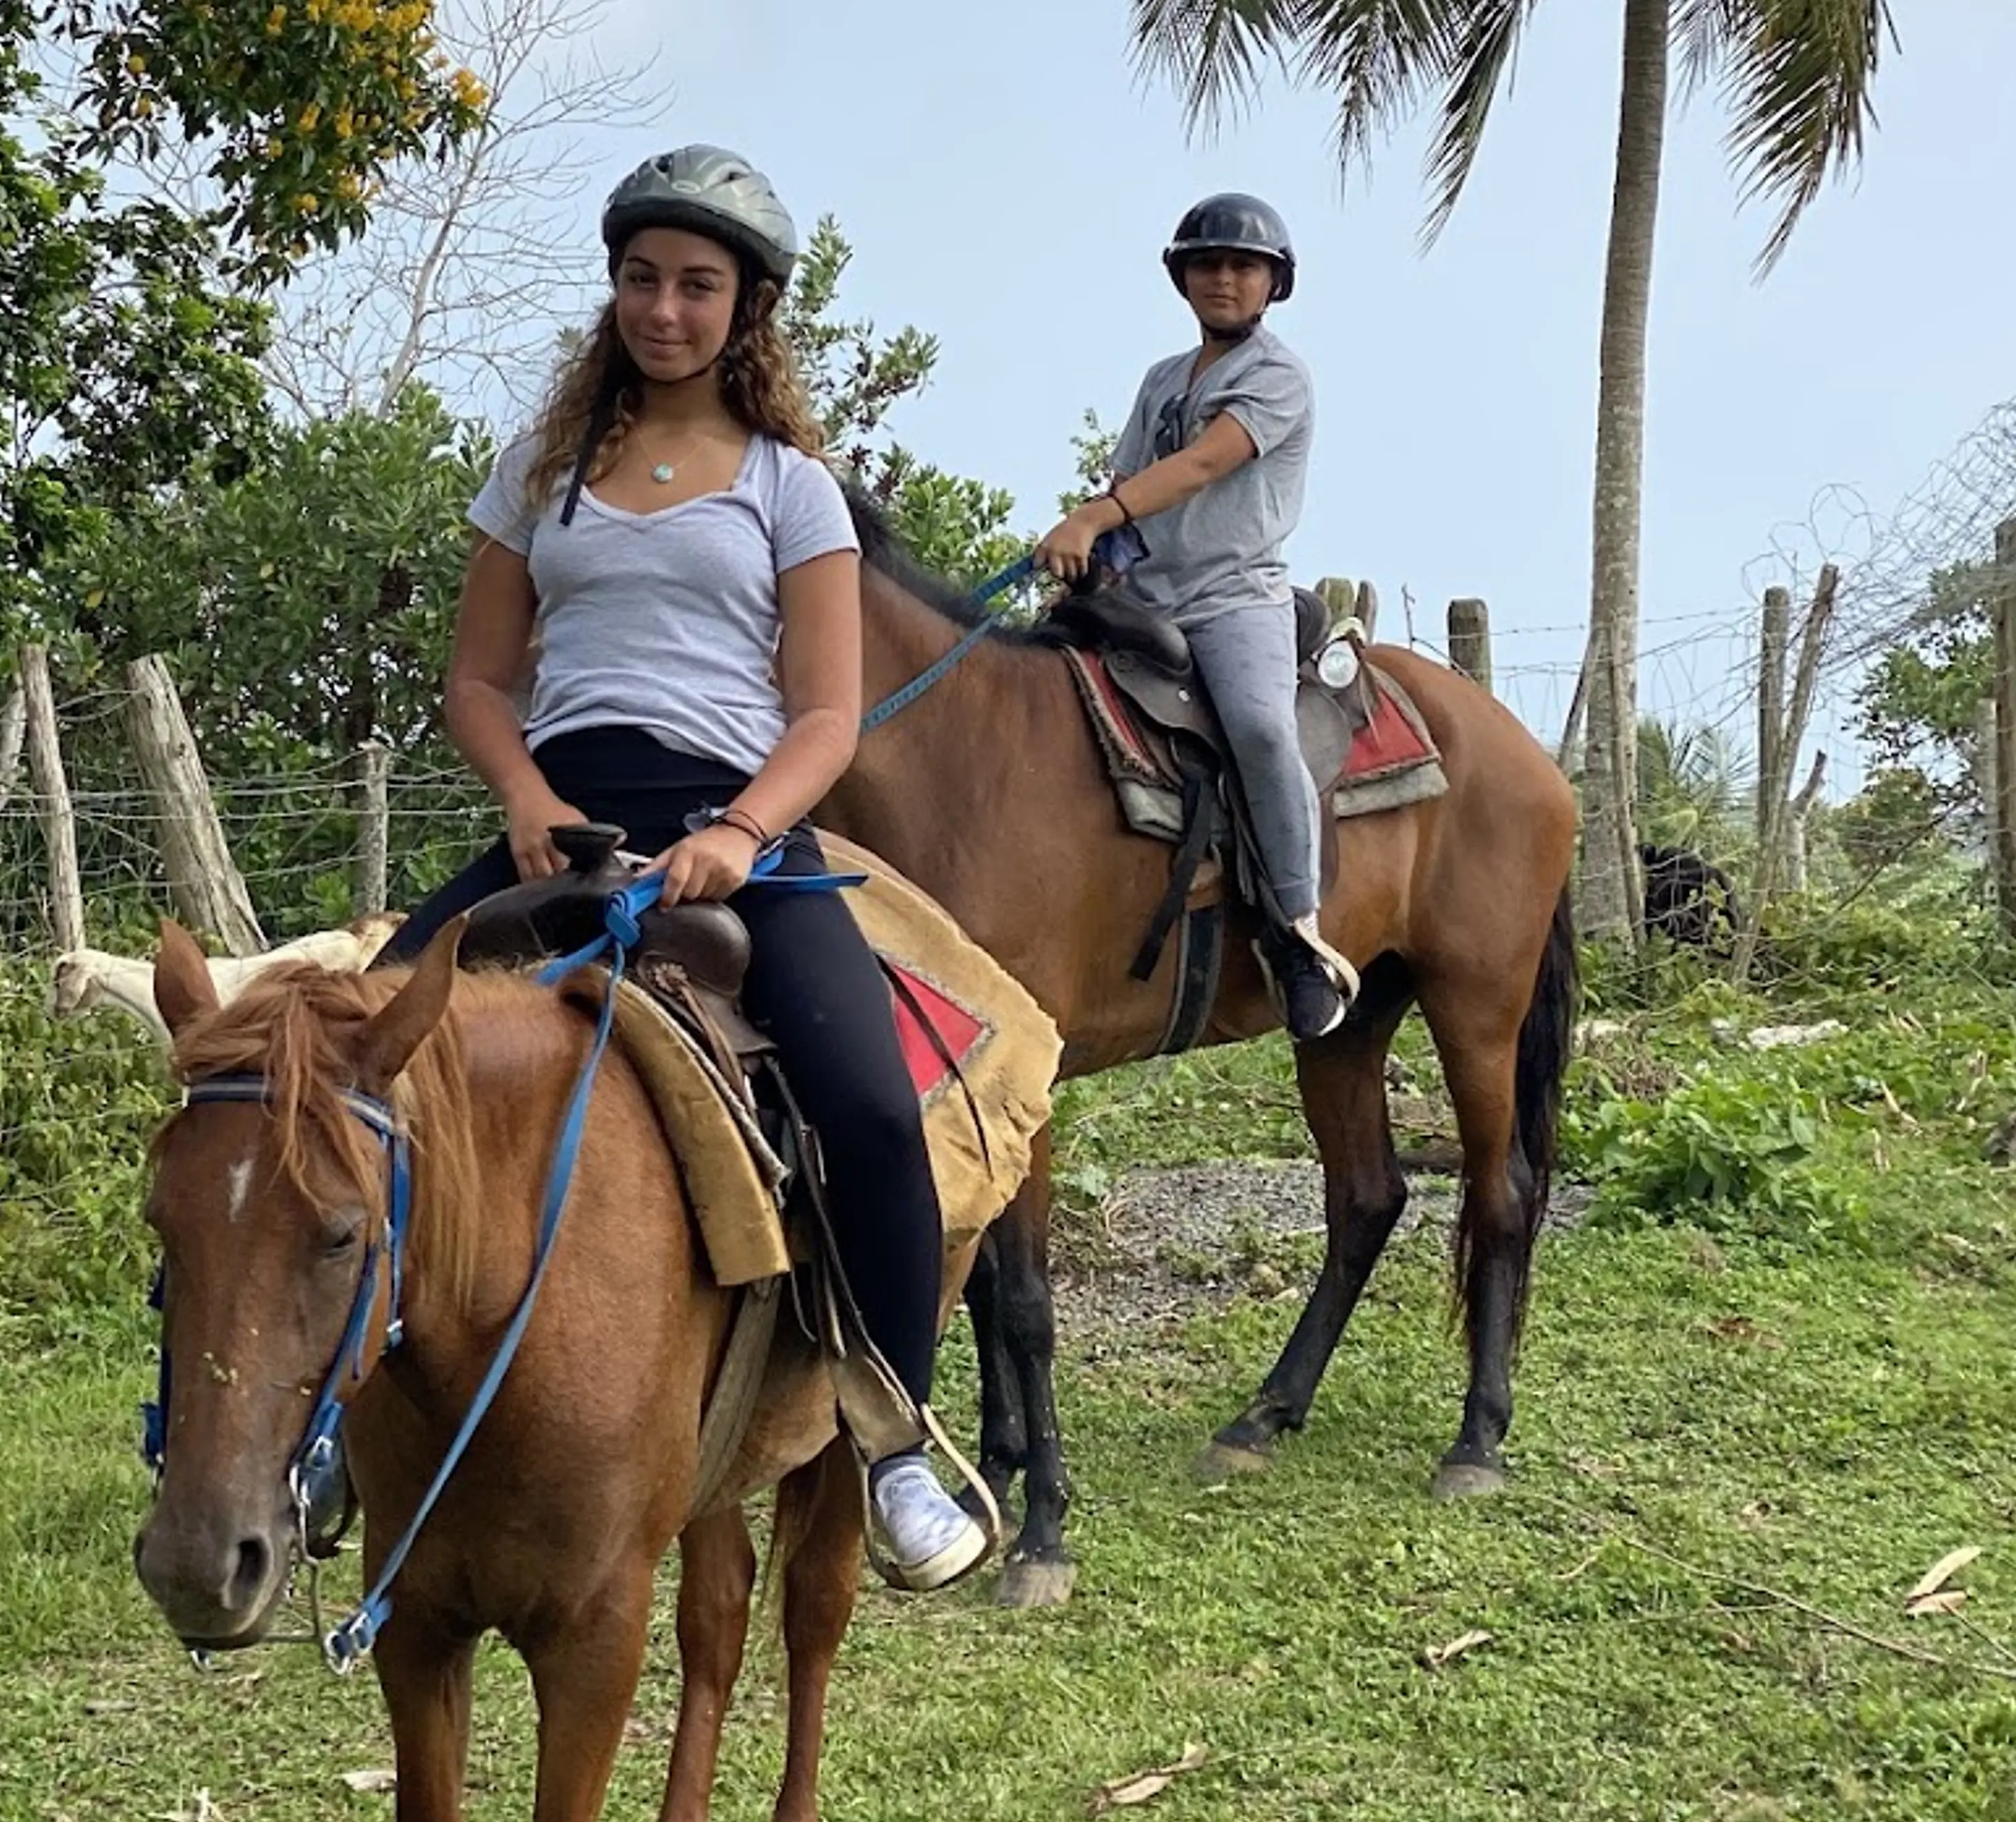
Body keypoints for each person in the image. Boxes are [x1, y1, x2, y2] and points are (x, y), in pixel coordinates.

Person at [381, 143, 987, 1592]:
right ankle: (328, 1423)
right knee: (355, 1047)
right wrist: (524, 796)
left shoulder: (794, 490)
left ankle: (894, 1439)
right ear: (615, 291)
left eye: (698, 285)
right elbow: (479, 679)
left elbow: (829, 712)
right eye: (643, 279)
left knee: (865, 1103)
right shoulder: (538, 473)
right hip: (564, 817)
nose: (665, 309)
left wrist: (736, 834)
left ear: (749, 308)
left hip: (740, 828)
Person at [1035, 193, 1359, 1045]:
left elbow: (1207, 463)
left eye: (1243, 266)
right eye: (1207, 263)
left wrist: (1091, 516)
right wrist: (1097, 557)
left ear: (1272, 284)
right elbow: (1135, 484)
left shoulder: (1277, 374)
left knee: (1256, 725)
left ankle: (1298, 934)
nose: (1223, 277)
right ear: (1183, 277)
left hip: (1234, 596)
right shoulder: (1160, 379)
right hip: (1146, 593)